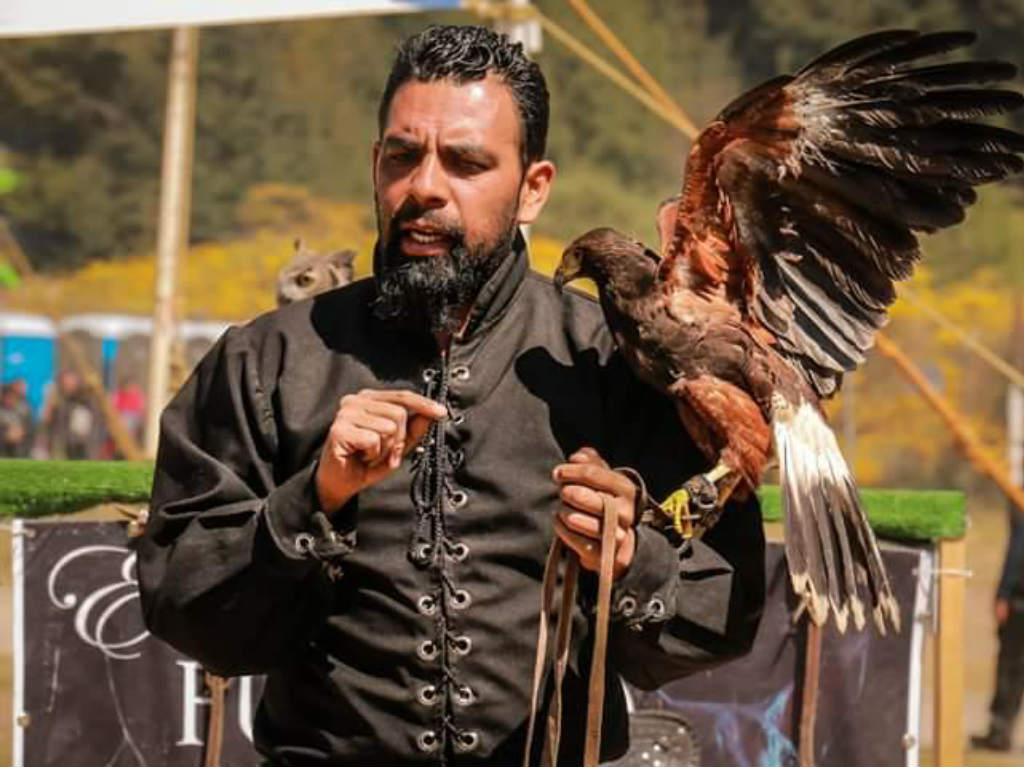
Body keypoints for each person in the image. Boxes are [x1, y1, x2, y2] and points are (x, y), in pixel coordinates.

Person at [137, 25, 765, 766]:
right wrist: (312, 500)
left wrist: (629, 559)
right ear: (375, 166)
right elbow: (184, 606)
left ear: (534, 188)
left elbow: (724, 609)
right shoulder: (266, 361)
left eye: (466, 162)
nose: (425, 187)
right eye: (403, 157)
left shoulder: (616, 360)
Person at [973, 505, 1024, 751]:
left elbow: (1016, 555)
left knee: (1010, 667)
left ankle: (1000, 731)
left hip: (1018, 602)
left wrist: (1003, 593)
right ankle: (999, 729)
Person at [41, 369, 102, 459]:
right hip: (64, 442)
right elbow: (48, 420)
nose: (68, 386)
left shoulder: (88, 400)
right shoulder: (58, 400)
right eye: (65, 383)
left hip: (85, 442)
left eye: (71, 382)